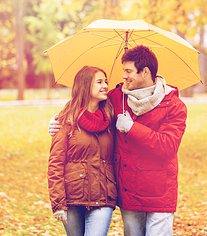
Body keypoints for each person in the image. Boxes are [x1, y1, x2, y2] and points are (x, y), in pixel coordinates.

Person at [49, 45, 187, 236]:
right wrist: (58, 120)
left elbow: (168, 147)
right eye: (123, 71)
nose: (123, 76)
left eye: (128, 71)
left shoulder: (173, 105)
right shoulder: (116, 98)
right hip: (129, 191)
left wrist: (131, 128)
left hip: (159, 192)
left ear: (145, 72)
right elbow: (84, 103)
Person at [48, 66, 117, 236]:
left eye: (106, 81)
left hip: (103, 196)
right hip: (73, 197)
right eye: (100, 82)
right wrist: (58, 203)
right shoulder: (66, 119)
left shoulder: (111, 117)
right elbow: (56, 163)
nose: (105, 86)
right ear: (86, 86)